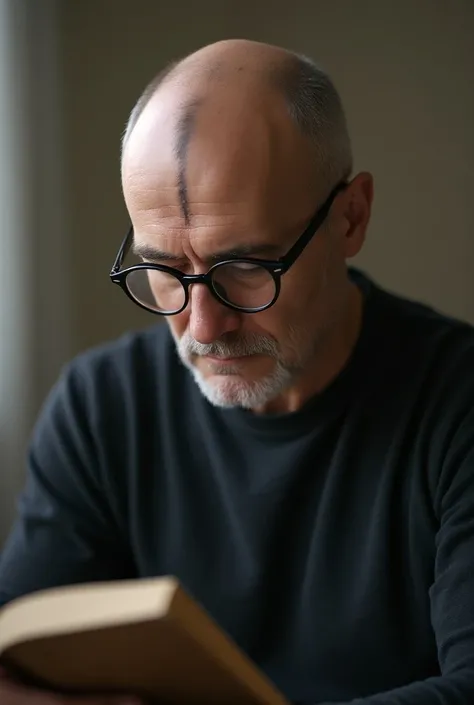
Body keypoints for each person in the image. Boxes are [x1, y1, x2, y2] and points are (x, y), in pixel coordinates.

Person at [1, 37, 474, 705]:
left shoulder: (457, 403)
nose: (202, 326)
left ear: (351, 217)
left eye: (246, 267)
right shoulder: (102, 405)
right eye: (163, 269)